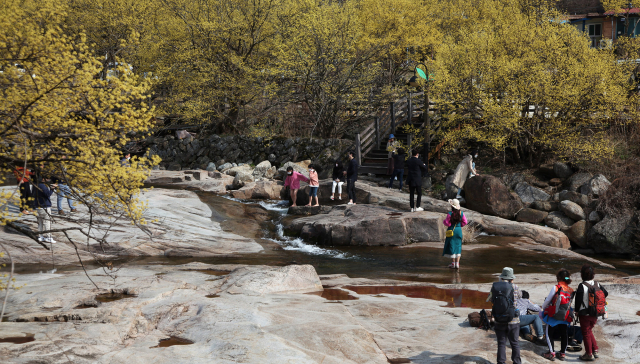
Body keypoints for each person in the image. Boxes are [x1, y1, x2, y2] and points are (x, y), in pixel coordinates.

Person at [487, 267, 521, 364]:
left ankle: (501, 362)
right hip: (513, 320)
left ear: (501, 277)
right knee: (515, 343)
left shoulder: (495, 287)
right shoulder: (515, 287)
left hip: (499, 319)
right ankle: (517, 362)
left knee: (501, 344)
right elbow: (519, 296)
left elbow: (490, 299)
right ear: (512, 278)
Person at [575, 264, 608, 361]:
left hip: (585, 313)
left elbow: (578, 300)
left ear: (582, 274)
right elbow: (605, 293)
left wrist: (576, 311)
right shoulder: (597, 284)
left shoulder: (582, 285)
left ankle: (589, 354)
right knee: (589, 330)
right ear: (593, 274)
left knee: (585, 332)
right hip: (596, 313)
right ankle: (595, 350)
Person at [541, 269, 574, 361]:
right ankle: (562, 353)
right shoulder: (571, 289)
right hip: (565, 316)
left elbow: (548, 300)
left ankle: (551, 353)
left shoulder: (556, 287)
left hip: (553, 315)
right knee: (564, 334)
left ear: (558, 278)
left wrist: (543, 308)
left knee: (548, 334)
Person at [442, 198, 467, 269]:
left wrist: (444, 221)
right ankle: (457, 263)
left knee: (452, 245)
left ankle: (453, 263)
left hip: (451, 230)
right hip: (458, 230)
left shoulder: (450, 214)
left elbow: (447, 223)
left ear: (452, 206)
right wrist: (459, 226)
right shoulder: (461, 213)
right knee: (458, 246)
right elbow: (465, 222)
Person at [32, 176, 57, 244]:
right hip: (45, 206)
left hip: (37, 206)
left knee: (40, 222)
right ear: (43, 179)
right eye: (47, 178)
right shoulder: (42, 186)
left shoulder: (35, 185)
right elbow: (47, 194)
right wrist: (52, 188)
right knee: (47, 222)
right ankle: (48, 237)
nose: (48, 180)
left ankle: (41, 236)